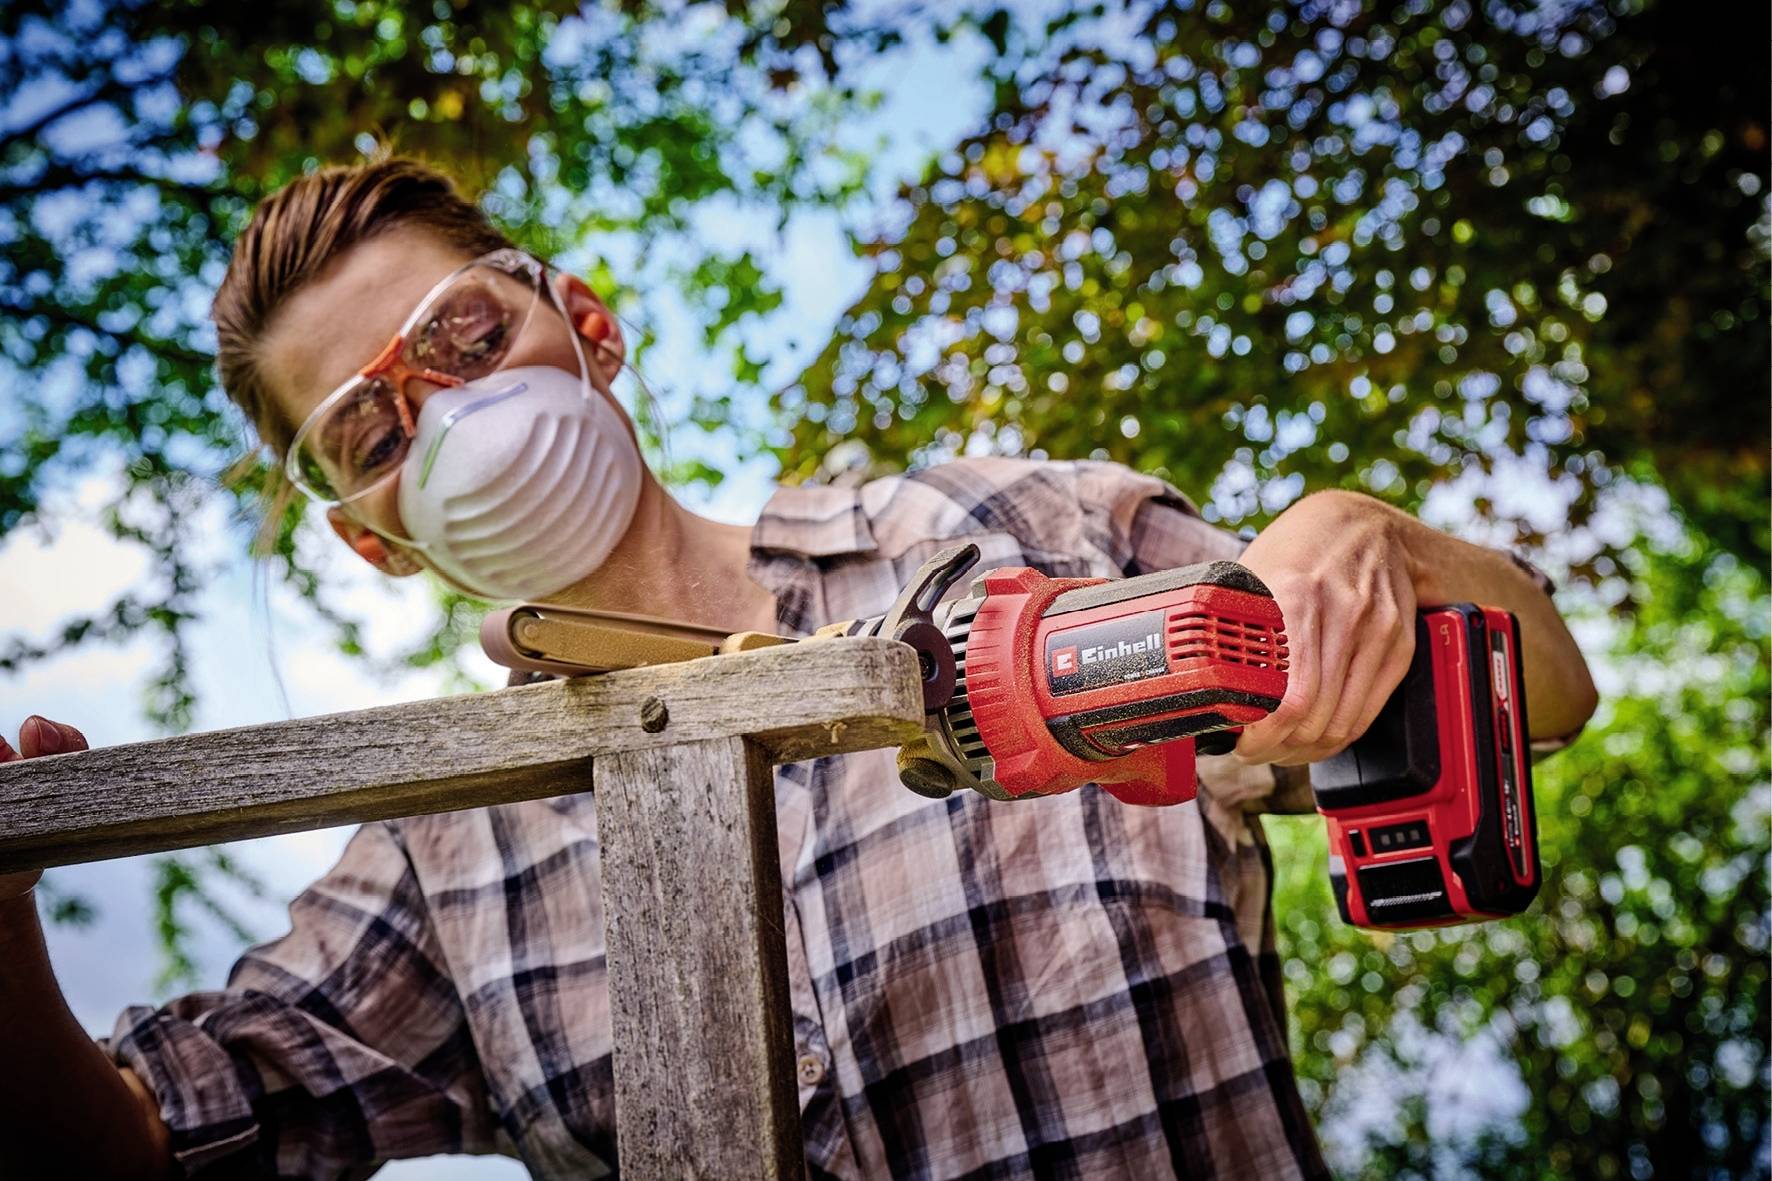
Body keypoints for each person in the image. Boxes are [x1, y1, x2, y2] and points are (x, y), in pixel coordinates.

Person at [0, 158, 1599, 1180]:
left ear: (587, 322)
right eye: (371, 430)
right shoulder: (442, 850)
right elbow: (136, 1148)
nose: (449, 423)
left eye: (466, 340)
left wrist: (1364, 540)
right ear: (375, 540)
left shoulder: (1015, 529)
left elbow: (1544, 688)